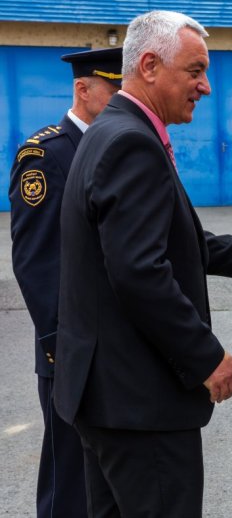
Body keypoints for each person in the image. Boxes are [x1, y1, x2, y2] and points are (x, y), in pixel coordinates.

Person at [54, 10, 232, 517]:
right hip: (140, 404)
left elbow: (170, 243)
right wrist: (206, 357)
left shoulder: (108, 131)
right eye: (195, 71)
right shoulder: (130, 142)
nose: (206, 87)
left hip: (107, 398)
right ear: (149, 65)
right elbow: (140, 271)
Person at [8, 46, 122, 518]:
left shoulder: (116, 144)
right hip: (71, 349)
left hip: (114, 347)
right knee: (69, 479)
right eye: (115, 89)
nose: (123, 99)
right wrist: (63, 345)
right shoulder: (48, 154)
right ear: (83, 89)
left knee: (109, 478)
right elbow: (36, 263)